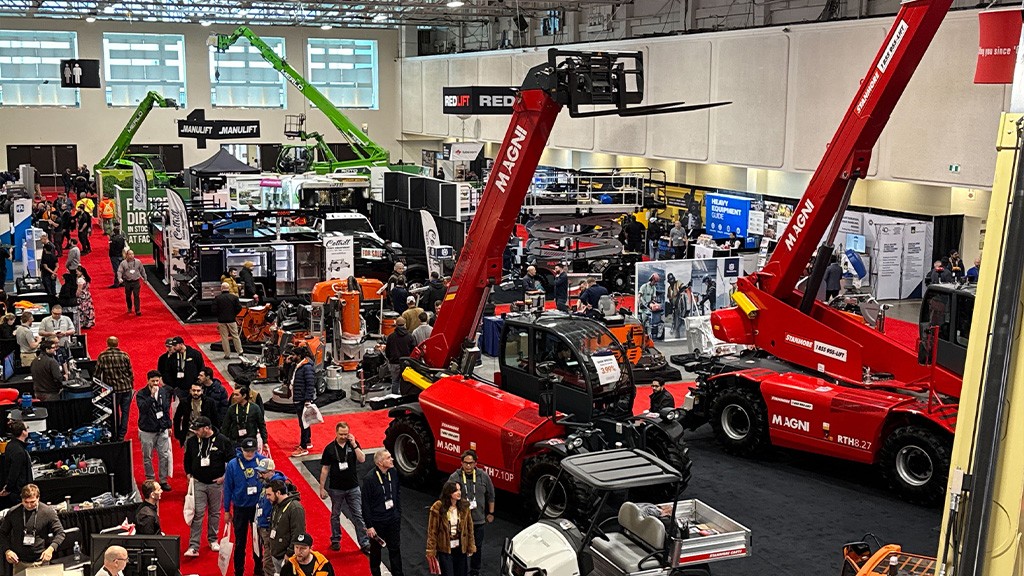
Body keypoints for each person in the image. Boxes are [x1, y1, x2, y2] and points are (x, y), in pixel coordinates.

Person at [183, 416, 231, 557]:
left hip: (216, 484)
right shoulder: (192, 441)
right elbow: (187, 459)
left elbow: (231, 461)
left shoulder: (223, 441)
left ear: (207, 428)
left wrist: (224, 478)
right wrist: (188, 474)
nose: (195, 432)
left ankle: (213, 540)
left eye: (198, 430)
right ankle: (194, 546)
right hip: (198, 482)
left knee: (215, 513)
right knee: (197, 513)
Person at [319, 422, 370, 553]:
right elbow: (325, 469)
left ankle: (364, 542)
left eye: (346, 434)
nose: (343, 436)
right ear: (336, 433)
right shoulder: (329, 448)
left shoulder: (352, 445)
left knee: (358, 515)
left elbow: (362, 459)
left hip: (353, 487)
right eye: (341, 434)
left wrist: (354, 444)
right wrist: (322, 488)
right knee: (335, 515)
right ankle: (335, 539)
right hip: (336, 488)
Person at [447, 451, 493, 576]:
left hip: (478, 520)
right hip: (461, 521)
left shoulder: (483, 476)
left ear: (475, 463)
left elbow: (491, 494)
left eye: (471, 463)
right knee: (460, 547)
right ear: (461, 463)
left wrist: (491, 513)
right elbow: (447, 496)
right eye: (465, 463)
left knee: (477, 547)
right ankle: (461, 570)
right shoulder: (454, 477)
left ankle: (475, 570)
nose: (468, 466)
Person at [223, 437, 263, 576]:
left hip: (257, 508)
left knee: (258, 541)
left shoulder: (261, 461)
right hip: (240, 508)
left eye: (252, 451)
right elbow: (227, 488)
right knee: (240, 542)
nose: (250, 454)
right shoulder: (233, 464)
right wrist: (227, 510)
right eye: (247, 451)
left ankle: (259, 568)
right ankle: (238, 570)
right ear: (242, 450)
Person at [0, 484, 65, 569]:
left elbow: (60, 533)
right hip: (19, 562)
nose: (29, 505)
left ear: (38, 498)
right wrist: (7, 551)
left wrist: (51, 549)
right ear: (21, 499)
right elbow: (2, 533)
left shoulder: (47, 512)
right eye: (26, 502)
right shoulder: (13, 512)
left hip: (41, 561)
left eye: (32, 502)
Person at [363, 450, 404, 576]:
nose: (392, 459)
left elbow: (397, 493)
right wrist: (369, 525)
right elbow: (365, 504)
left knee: (395, 549)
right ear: (380, 462)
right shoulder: (369, 479)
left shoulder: (394, 472)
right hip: (377, 521)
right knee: (376, 552)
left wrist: (398, 512)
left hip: (392, 519)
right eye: (388, 458)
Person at [426, 481, 476, 576]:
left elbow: (470, 528)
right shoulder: (438, 507)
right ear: (449, 492)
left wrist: (470, 545)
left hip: (461, 548)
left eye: (459, 490)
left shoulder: (465, 507)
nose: (459, 492)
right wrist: (431, 550)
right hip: (445, 549)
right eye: (456, 490)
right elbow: (432, 531)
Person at [137, 370, 173, 492]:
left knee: (164, 455)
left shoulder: (163, 392)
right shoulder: (141, 394)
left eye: (157, 381)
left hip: (161, 429)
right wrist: (151, 397)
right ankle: (150, 479)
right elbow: (142, 408)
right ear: (148, 381)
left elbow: (166, 410)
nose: (155, 383)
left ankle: (163, 480)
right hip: (147, 430)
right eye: (153, 381)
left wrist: (169, 426)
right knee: (147, 456)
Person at [93, 336, 134, 441]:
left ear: (107, 344)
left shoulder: (102, 356)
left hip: (111, 391)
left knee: (113, 412)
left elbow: (97, 374)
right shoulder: (124, 355)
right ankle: (122, 434)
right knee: (125, 412)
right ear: (117, 344)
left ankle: (114, 432)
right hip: (126, 388)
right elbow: (130, 373)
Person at [254, 459, 287, 573]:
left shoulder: (277, 486)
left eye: (263, 473)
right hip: (262, 524)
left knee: (269, 563)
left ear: (271, 471)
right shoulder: (266, 484)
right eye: (260, 472)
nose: (260, 475)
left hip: (270, 527)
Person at [267, 479, 306, 567]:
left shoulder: (295, 508)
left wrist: (289, 553)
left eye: (269, 494)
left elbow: (298, 533)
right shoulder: (276, 505)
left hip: (287, 557)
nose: (267, 497)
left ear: (278, 493)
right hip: (276, 554)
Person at [158, 336, 206, 403]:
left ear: (181, 344)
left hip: (193, 387)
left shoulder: (195, 354)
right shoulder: (173, 357)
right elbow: (167, 371)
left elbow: (201, 368)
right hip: (179, 389)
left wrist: (198, 382)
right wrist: (173, 385)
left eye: (175, 345)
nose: (174, 347)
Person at [289, 347, 316, 457]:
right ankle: (308, 441)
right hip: (299, 397)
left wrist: (307, 399)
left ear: (299, 356)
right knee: (304, 422)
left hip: (302, 399)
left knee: (303, 423)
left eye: (294, 355)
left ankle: (303, 447)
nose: (292, 357)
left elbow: (310, 384)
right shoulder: (299, 365)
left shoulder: (307, 367)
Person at [0, 421, 32, 508]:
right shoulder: (18, 451)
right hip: (19, 493)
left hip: (16, 491)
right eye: (27, 428)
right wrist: (8, 488)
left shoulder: (10, 445)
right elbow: (14, 472)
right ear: (23, 432)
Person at [213, 282, 244, 360]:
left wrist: (219, 315)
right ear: (229, 288)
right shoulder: (234, 297)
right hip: (231, 320)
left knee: (224, 337)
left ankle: (227, 354)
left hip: (221, 320)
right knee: (235, 336)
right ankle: (240, 351)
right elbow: (239, 308)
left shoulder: (217, 298)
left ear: (221, 288)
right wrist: (234, 314)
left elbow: (213, 309)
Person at [385, 317, 415, 395]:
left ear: (396, 325)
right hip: (406, 363)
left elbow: (387, 350)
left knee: (395, 381)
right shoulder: (409, 336)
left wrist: (389, 359)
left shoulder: (391, 337)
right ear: (405, 325)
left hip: (394, 363)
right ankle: (403, 397)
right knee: (405, 382)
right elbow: (414, 350)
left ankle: (394, 397)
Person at [117, 249, 145, 315]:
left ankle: (137, 310)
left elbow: (142, 270)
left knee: (136, 296)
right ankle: (129, 307)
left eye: (132, 254)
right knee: (128, 296)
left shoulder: (138, 262)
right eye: (130, 254)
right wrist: (119, 278)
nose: (131, 255)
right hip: (127, 282)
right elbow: (119, 271)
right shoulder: (123, 263)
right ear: (127, 255)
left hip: (136, 282)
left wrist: (145, 278)